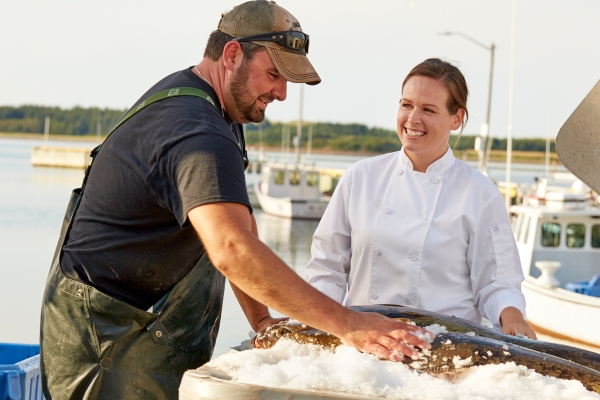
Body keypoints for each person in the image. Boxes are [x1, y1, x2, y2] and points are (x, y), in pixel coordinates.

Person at [39, 1, 432, 399]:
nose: (280, 92)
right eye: (274, 74)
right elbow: (231, 249)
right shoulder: (197, 132)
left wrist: (262, 319)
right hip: (108, 343)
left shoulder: (217, 110)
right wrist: (348, 324)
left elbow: (239, 229)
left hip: (144, 328)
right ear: (232, 55)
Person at [306, 58, 537, 340]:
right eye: (407, 105)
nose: (413, 119)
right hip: (365, 344)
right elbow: (327, 269)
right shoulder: (361, 177)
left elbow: (498, 281)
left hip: (448, 347)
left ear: (457, 118)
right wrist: (320, 325)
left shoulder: (480, 192)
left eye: (428, 109)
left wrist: (513, 317)